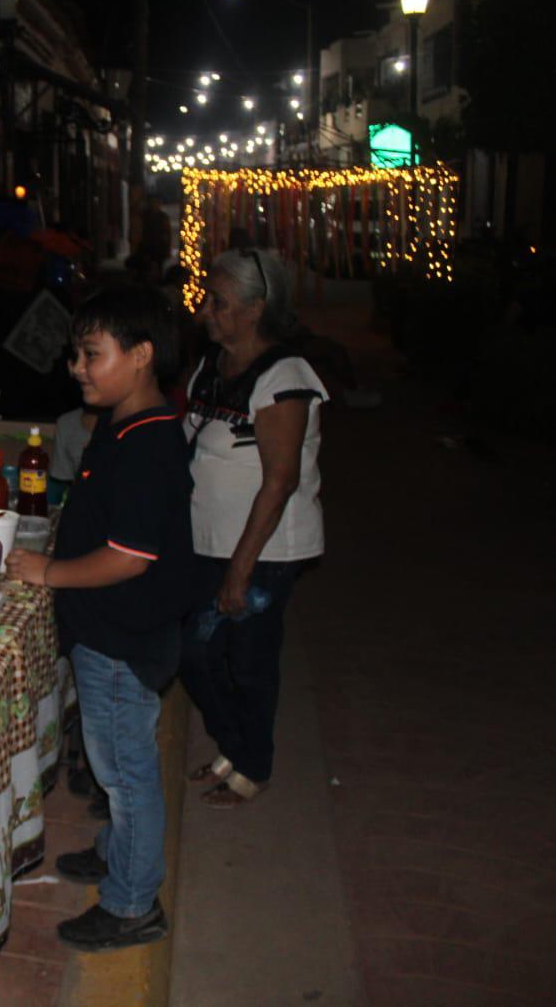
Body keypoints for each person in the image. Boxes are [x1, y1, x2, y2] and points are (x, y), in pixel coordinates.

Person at [6, 287, 193, 952]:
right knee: (117, 759)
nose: (76, 368)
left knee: (124, 772)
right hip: (112, 631)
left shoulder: (146, 446)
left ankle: (133, 903)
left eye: (91, 354)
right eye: (75, 355)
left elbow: (129, 556)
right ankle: (119, 850)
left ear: (140, 355)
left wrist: (49, 572)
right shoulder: (124, 424)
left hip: (122, 635)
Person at [180, 248, 326, 809]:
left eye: (218, 302)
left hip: (264, 549)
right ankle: (235, 745)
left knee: (248, 660)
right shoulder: (212, 366)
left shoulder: (286, 377)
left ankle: (254, 763)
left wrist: (241, 568)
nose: (205, 311)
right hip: (208, 539)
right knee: (194, 653)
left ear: (255, 308)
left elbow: (281, 480)